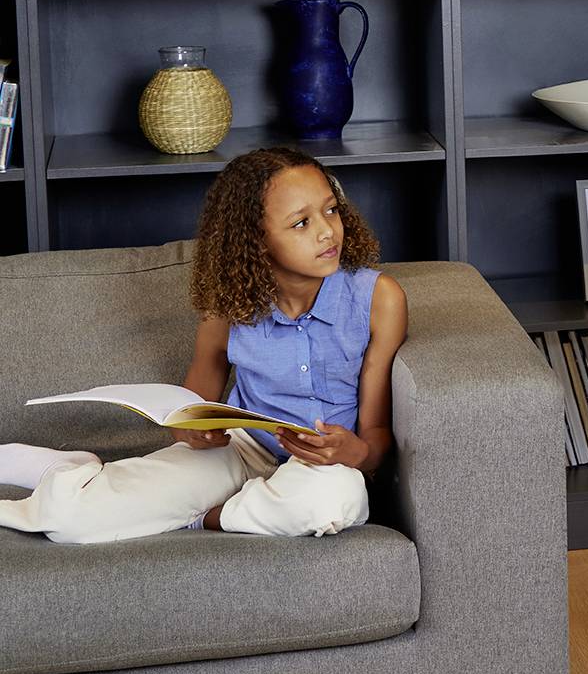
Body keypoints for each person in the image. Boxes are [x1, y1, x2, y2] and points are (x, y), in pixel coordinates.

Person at [0, 148, 409, 544]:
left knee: (331, 504)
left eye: (331, 209)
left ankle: (209, 517)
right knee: (72, 525)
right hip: (241, 449)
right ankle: (70, 472)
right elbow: (192, 407)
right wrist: (189, 432)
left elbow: (375, 436)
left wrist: (356, 452)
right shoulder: (230, 306)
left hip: (325, 469)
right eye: (300, 223)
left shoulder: (378, 300)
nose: (326, 230)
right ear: (256, 240)